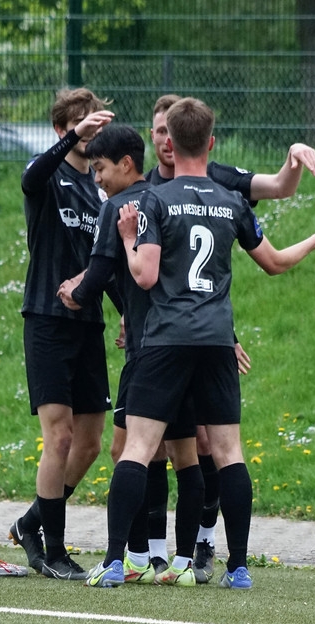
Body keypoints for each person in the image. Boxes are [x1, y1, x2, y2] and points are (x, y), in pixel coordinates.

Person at [100, 97, 315, 590]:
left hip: (166, 339)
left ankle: (112, 564)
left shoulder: (154, 200)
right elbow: (274, 262)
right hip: (216, 342)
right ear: (211, 143)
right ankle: (238, 568)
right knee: (229, 453)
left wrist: (128, 237)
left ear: (169, 140)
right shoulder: (230, 201)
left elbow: (145, 276)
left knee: (140, 449)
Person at [55, 123, 201, 589]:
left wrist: (76, 293)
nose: (95, 178)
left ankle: (123, 559)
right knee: (186, 453)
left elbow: (99, 275)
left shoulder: (119, 207)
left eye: (99, 168)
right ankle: (183, 561)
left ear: (124, 164)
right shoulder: (169, 201)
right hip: (192, 341)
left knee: (127, 451)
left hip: (150, 349)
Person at [7, 88, 115, 580]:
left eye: (94, 123)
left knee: (91, 443)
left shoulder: (101, 190)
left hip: (88, 323)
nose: (91, 131)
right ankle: (53, 550)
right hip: (48, 321)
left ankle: (31, 522)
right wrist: (76, 133)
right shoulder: (47, 179)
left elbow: (104, 263)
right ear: (63, 130)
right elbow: (30, 176)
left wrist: (127, 316)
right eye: (80, 124)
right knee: (61, 437)